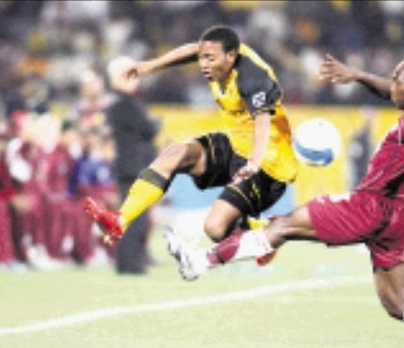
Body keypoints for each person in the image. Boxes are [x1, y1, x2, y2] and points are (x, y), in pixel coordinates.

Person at [163, 55, 404, 348]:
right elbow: (390, 91)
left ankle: (199, 262)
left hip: (370, 205)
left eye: (398, 81)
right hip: (398, 213)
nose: (391, 86)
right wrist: (356, 75)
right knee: (397, 304)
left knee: (283, 226)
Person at [85, 25, 298, 265]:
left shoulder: (252, 76)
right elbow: (191, 50)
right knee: (177, 152)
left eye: (210, 59)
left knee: (216, 229)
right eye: (202, 58)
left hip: (268, 163)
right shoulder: (220, 55)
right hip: (237, 146)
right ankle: (120, 220)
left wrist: (254, 162)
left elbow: (262, 121)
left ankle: (266, 234)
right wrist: (149, 66)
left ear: (231, 56)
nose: (203, 65)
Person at [102, 56, 159, 274]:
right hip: (132, 167)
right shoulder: (123, 104)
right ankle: (131, 264)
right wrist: (153, 123)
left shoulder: (123, 103)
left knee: (132, 217)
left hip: (132, 166)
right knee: (134, 219)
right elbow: (148, 127)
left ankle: (129, 263)